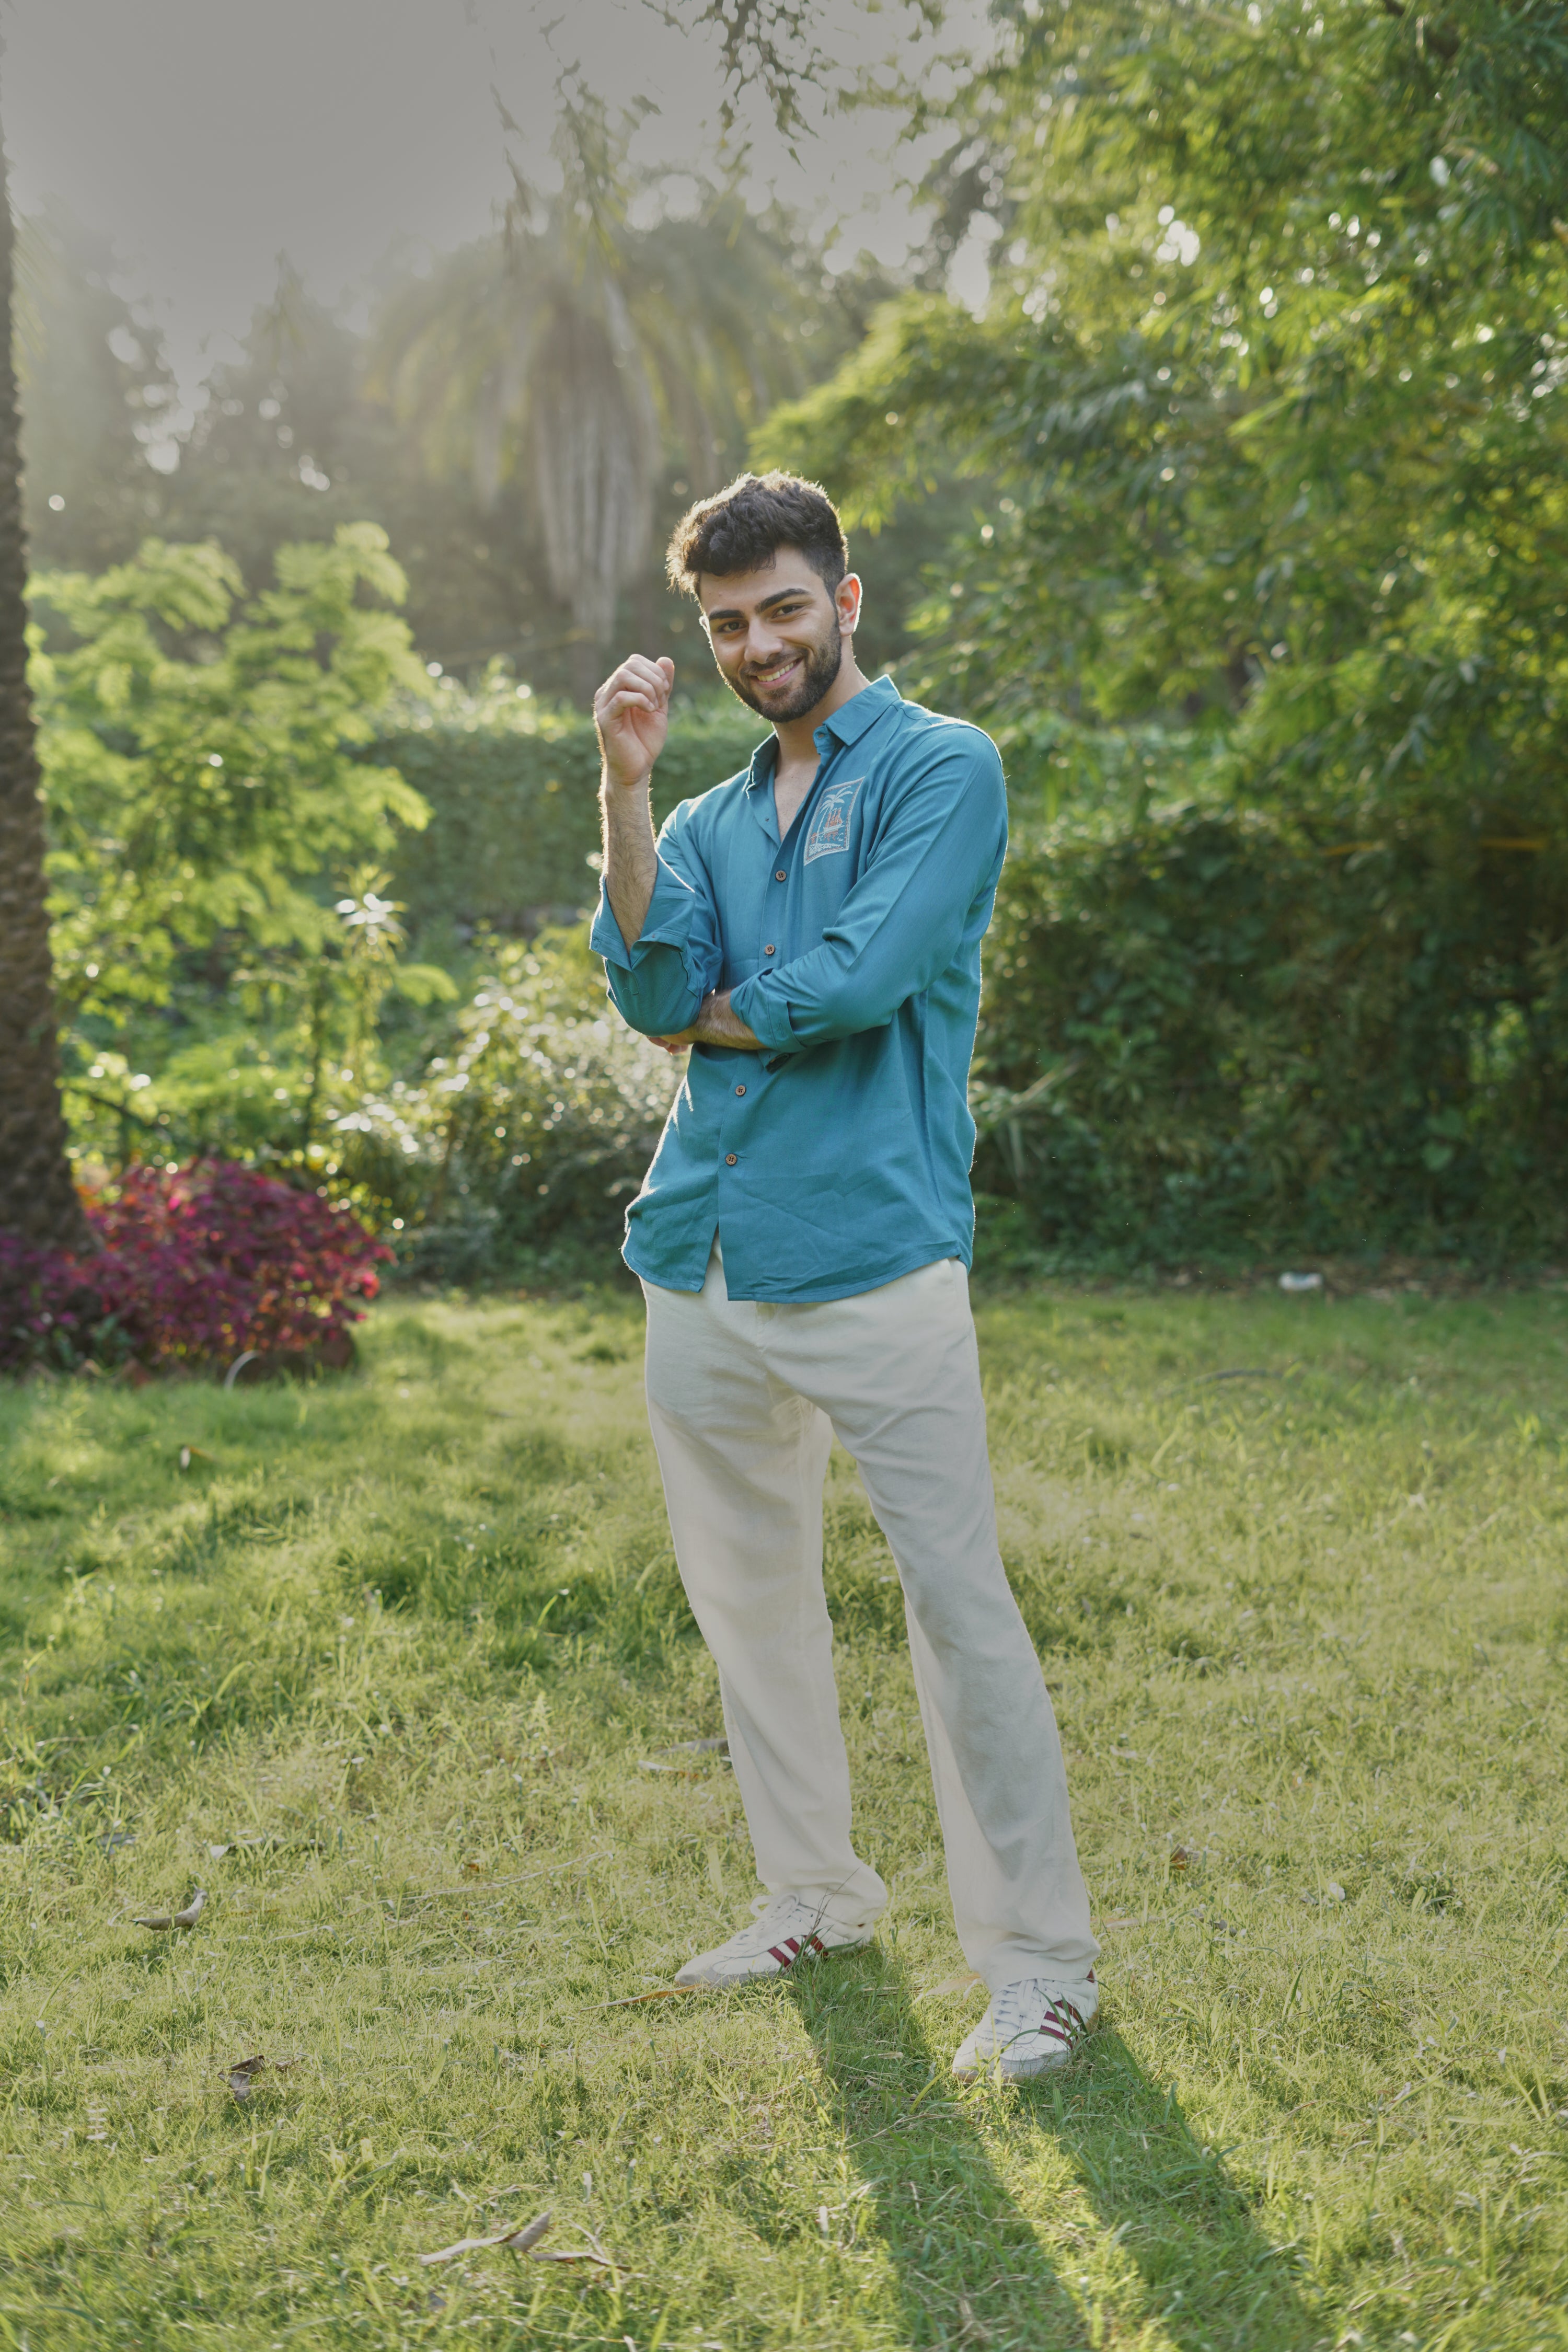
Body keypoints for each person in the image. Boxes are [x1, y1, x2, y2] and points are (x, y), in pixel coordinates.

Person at [589, 471, 1098, 2081]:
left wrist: (713, 1009)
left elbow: (861, 976)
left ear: (848, 600)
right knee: (750, 1608)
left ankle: (1037, 1968)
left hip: (874, 1256)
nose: (759, 646)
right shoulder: (701, 819)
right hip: (702, 1256)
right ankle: (814, 1890)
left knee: (959, 1611)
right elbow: (645, 976)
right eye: (728, 625)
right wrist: (620, 787)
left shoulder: (948, 769)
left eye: (785, 610)